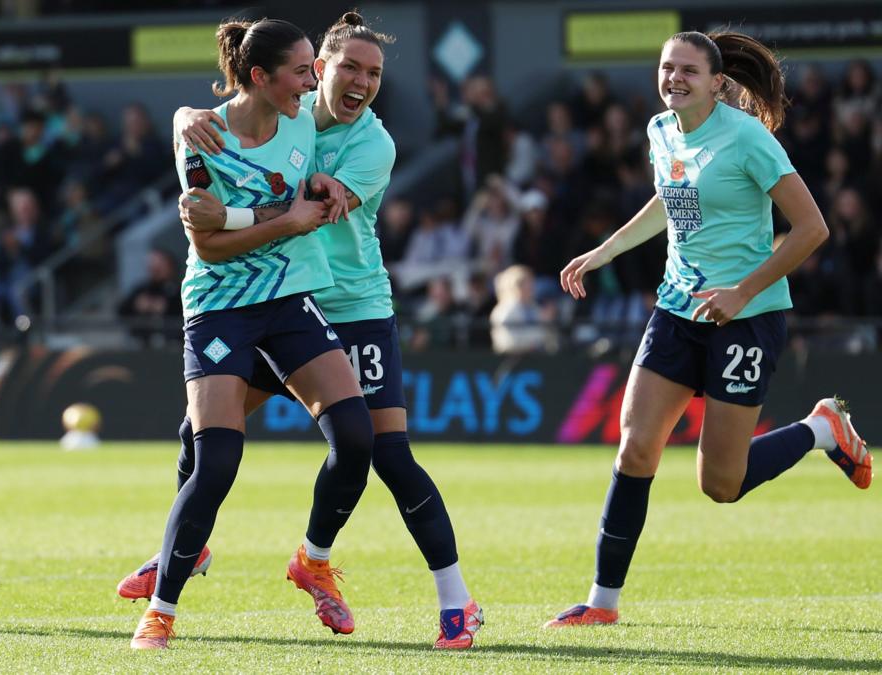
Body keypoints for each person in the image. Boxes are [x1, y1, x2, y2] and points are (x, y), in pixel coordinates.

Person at [119, 12, 483, 649]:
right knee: (203, 443)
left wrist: (228, 204)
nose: (362, 82)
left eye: (373, 74)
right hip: (277, 296)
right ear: (318, 72)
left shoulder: (374, 144)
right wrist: (184, 118)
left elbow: (308, 207)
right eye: (349, 68)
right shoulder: (293, 111)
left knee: (383, 452)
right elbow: (238, 115)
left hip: (349, 305)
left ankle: (444, 598)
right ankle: (184, 553)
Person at [547, 31, 872, 628]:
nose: (674, 78)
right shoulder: (660, 130)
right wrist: (605, 251)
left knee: (721, 484)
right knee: (636, 445)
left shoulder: (748, 138)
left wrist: (742, 291)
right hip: (677, 310)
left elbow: (812, 228)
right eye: (667, 67)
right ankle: (603, 603)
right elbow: (670, 202)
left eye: (688, 71)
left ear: (717, 82)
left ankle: (823, 429)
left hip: (746, 318)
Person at [126, 18, 373, 650]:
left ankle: (313, 560)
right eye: (300, 71)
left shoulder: (299, 121)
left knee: (355, 436)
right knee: (217, 461)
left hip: (288, 301)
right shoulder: (201, 136)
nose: (312, 81)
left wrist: (310, 193)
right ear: (260, 77)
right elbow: (207, 246)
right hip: (220, 307)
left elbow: (295, 195)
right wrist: (283, 220)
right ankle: (161, 611)